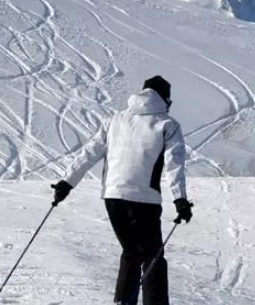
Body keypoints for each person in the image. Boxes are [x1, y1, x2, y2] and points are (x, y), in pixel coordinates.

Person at [50, 75, 193, 305]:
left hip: (113, 197)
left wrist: (67, 183)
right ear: (164, 98)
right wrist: (181, 200)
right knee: (152, 257)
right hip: (144, 199)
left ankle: (122, 302)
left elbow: (89, 152)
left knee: (131, 253)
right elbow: (174, 164)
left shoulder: (115, 120)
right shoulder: (167, 124)